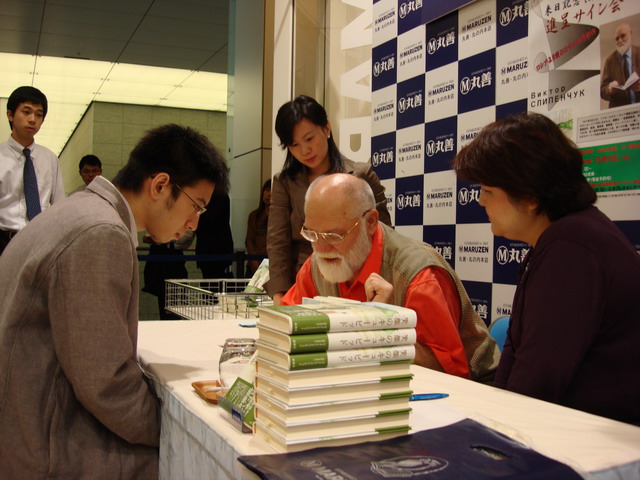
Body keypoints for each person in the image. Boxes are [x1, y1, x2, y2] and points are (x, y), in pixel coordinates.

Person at [0, 123, 229, 477]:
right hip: (44, 445)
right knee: (202, 461)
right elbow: (106, 387)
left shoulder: (81, 209)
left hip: (28, 420)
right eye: (196, 206)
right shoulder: (100, 232)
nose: (193, 224)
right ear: (160, 185)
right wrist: (178, 429)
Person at [453, 113, 640, 425]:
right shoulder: (564, 238)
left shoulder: (572, 250)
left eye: (488, 190)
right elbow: (517, 357)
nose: (481, 201)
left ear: (528, 196)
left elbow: (537, 381)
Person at [281, 173, 499, 383]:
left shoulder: (417, 277)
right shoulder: (317, 263)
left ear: (370, 222)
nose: (320, 248)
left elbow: (450, 374)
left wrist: (387, 329)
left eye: (334, 236)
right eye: (311, 233)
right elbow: (286, 328)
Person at [267, 95, 392, 305]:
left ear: (326, 129)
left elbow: (383, 235)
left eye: (309, 139)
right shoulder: (285, 183)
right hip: (304, 284)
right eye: (294, 145)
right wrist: (279, 294)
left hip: (355, 282)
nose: (304, 151)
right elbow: (278, 241)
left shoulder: (361, 175)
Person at [0, 86, 64, 254]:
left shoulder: (50, 159)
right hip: (4, 241)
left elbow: (59, 204)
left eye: (39, 114)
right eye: (26, 112)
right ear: (10, 115)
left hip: (40, 242)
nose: (32, 119)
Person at [142, 230, 194, 320]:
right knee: (164, 298)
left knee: (173, 301)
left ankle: (172, 321)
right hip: (165, 264)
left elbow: (187, 236)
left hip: (172, 263)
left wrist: (162, 238)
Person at [196, 188, 234, 279]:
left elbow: (209, 220)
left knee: (214, 280)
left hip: (216, 249)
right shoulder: (220, 194)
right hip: (211, 249)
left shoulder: (219, 195)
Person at [600, 22, 639, 107]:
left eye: (623, 36)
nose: (620, 40)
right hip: (619, 110)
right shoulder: (609, 61)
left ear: (631, 33)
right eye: (617, 38)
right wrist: (609, 89)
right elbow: (602, 90)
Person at [245, 179, 271, 275]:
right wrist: (254, 261)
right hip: (255, 261)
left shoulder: (279, 217)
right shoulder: (254, 216)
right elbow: (249, 240)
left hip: (272, 262)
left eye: (272, 191)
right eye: (267, 190)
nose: (269, 194)